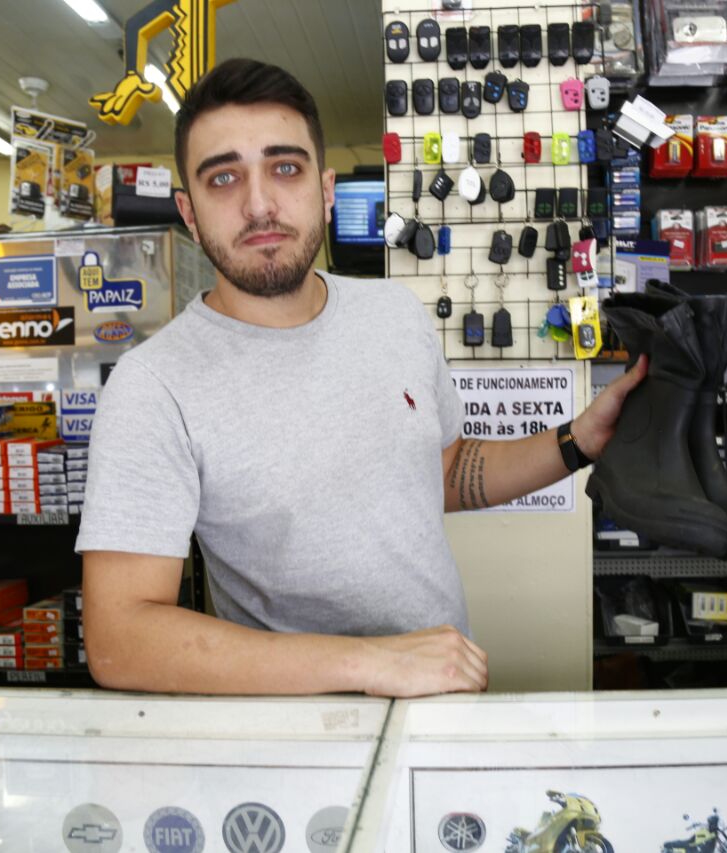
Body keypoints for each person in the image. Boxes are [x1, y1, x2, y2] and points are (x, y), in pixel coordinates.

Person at [75, 58, 647, 698]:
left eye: (284, 168)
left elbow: (441, 473)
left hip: (442, 702)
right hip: (293, 739)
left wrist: (579, 441)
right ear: (188, 209)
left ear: (324, 189)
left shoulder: (394, 314)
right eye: (224, 177)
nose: (259, 203)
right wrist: (371, 663)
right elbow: (119, 640)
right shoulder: (154, 385)